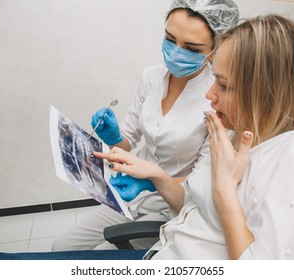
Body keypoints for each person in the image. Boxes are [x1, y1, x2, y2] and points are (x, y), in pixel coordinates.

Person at [93, 14, 294, 259]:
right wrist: (155, 176)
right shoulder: (238, 137)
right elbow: (197, 200)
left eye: (223, 84)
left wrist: (224, 191)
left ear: (265, 91)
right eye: (171, 39)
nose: (210, 94)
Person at [52, 0, 240, 251]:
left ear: (216, 50)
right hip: (130, 193)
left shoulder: (217, 100)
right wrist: (114, 135)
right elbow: (127, 141)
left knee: (100, 259)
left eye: (192, 48)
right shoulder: (151, 77)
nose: (176, 52)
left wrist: (153, 179)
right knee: (61, 247)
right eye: (170, 39)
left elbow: (203, 180)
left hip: (173, 205)